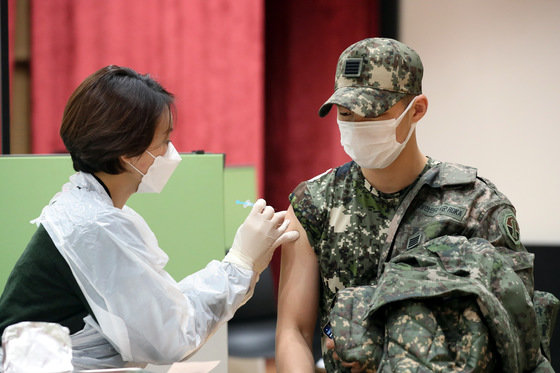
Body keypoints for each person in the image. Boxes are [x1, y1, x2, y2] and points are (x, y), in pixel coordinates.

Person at [275, 38, 556, 372]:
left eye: (373, 112)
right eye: (347, 113)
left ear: (417, 109)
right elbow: (293, 331)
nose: (357, 125)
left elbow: (519, 338)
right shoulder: (316, 202)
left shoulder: (475, 205)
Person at [0, 65, 299, 369]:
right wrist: (241, 262)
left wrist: (241, 262)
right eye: (165, 141)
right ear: (128, 155)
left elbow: (163, 307)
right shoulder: (93, 227)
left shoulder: (90, 212)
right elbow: (169, 337)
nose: (173, 152)